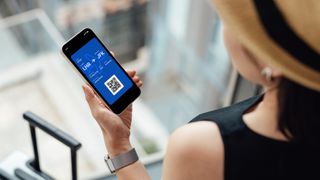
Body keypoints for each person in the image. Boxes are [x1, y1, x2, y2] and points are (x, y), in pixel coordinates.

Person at [82, 0, 320, 179]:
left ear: (273, 63)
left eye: (233, 23)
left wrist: (118, 144)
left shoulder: (202, 147)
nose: (226, 29)